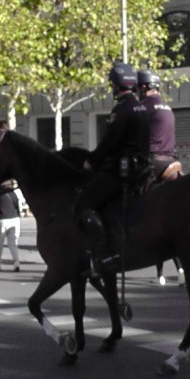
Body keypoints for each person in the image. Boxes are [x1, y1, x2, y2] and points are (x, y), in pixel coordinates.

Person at [77, 61, 149, 277]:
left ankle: (104, 253)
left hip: (123, 169)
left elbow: (111, 142)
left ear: (117, 85)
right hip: (142, 167)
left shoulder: (122, 109)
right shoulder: (141, 107)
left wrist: (92, 160)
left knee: (84, 201)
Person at [137, 69, 177, 182]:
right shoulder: (168, 107)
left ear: (143, 87)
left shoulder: (142, 107)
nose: (137, 93)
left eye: (137, 89)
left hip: (154, 161)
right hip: (172, 160)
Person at [0, 180, 21, 272]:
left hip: (2, 219)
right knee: (13, 243)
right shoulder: (13, 193)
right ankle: (16, 262)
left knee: (0, 243)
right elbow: (17, 205)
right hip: (14, 218)